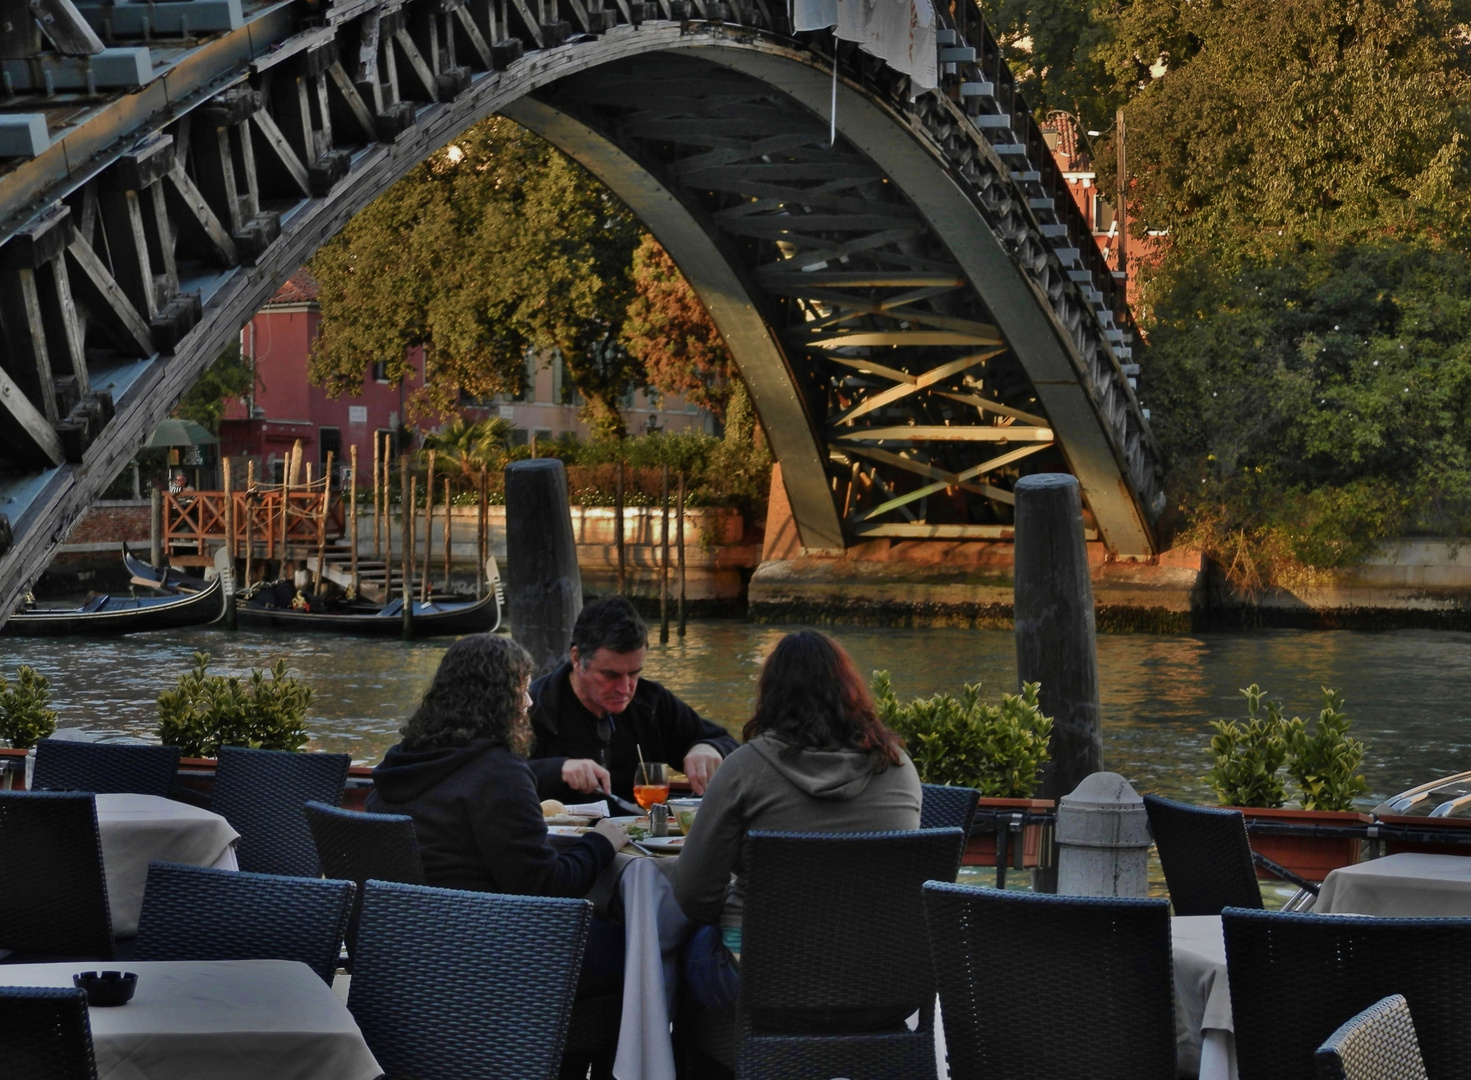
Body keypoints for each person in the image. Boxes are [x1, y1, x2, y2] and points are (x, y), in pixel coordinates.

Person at [671, 630, 922, 1009]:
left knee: (686, 949)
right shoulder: (900, 769)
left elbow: (692, 894)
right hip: (879, 983)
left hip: (764, 981)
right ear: (851, 690)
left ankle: (725, 1059)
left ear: (770, 695)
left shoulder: (745, 768)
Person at [367, 633, 630, 990]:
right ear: (497, 700)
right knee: (636, 944)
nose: (529, 701)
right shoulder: (498, 772)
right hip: (485, 954)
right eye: (520, 690)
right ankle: (601, 1046)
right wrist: (603, 840)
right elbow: (545, 887)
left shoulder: (400, 762)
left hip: (403, 951)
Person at [528, 596, 737, 803]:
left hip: (641, 830)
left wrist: (708, 748)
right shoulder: (533, 707)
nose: (625, 689)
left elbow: (731, 746)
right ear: (577, 659)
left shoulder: (651, 702)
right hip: (559, 834)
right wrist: (557, 769)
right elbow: (499, 776)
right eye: (611, 675)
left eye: (634, 673)